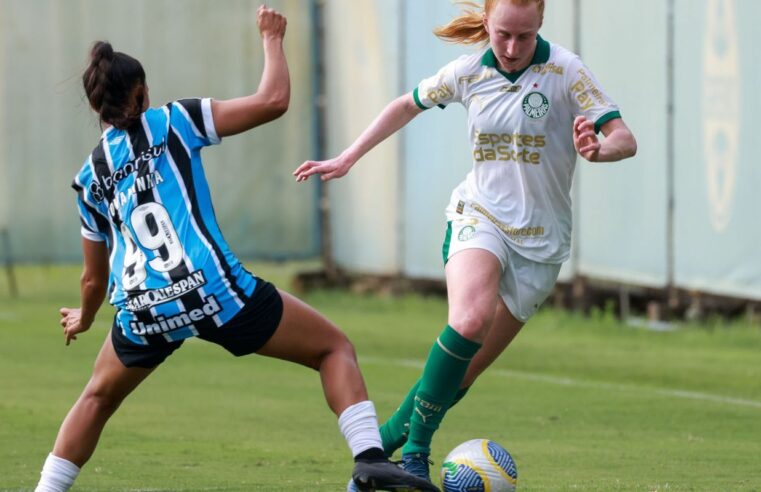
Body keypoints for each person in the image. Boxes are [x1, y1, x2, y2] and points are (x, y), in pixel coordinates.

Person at [34, 6, 438, 492]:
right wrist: (271, 37)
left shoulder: (89, 177)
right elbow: (273, 100)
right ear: (141, 93)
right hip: (212, 289)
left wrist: (83, 316)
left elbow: (93, 278)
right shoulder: (171, 121)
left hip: (142, 307)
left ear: (97, 106)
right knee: (334, 348)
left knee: (96, 398)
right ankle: (370, 460)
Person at [294, 0, 637, 486]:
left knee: (460, 376)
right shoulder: (467, 71)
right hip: (480, 217)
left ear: (540, 23)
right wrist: (348, 158)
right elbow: (404, 105)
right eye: (502, 35)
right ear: (488, 24)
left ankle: (374, 461)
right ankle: (415, 454)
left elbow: (624, 137)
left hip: (541, 245)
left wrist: (599, 150)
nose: (512, 48)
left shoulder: (566, 71)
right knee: (469, 319)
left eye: (523, 35)